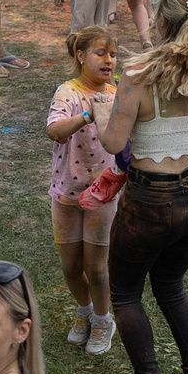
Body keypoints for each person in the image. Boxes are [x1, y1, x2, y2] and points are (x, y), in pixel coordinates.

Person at [95, 0, 188, 374]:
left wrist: (102, 114)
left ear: (163, 21)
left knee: (126, 293)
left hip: (151, 201)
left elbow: (115, 141)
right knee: (171, 284)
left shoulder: (136, 76)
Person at [46, 26, 121, 357]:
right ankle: (85, 311)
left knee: (96, 267)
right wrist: (87, 116)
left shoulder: (119, 96)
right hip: (66, 193)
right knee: (69, 266)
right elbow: (54, 130)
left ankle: (104, 320)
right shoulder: (68, 93)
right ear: (80, 56)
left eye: (113, 54)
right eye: (100, 53)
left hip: (103, 194)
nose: (109, 61)